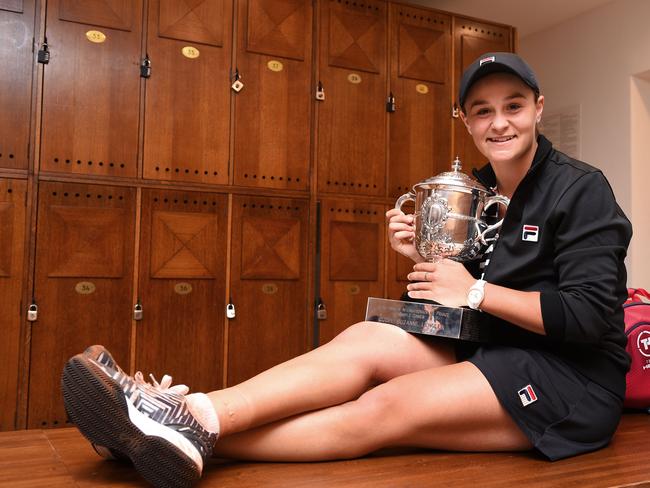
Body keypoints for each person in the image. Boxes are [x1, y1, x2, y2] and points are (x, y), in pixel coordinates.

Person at [61, 52, 633, 488]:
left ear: (537, 106)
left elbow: (586, 316)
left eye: (513, 105)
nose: (499, 123)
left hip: (571, 379)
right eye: (483, 111)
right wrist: (427, 261)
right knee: (369, 338)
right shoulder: (476, 192)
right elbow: (463, 301)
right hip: (495, 348)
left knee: (387, 406)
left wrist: (476, 290)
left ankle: (178, 431)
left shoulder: (580, 189)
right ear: (464, 120)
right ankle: (193, 417)